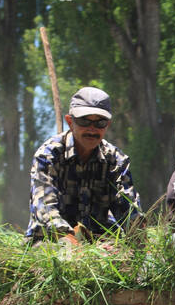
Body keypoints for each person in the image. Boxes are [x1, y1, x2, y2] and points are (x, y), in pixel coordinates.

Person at [26, 86, 142, 245]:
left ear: (107, 125)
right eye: (84, 121)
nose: (92, 129)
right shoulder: (48, 156)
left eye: (100, 122)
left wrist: (139, 243)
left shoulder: (116, 161)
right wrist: (74, 244)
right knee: (63, 249)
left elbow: (129, 214)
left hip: (100, 243)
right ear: (69, 121)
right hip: (53, 240)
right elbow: (46, 211)